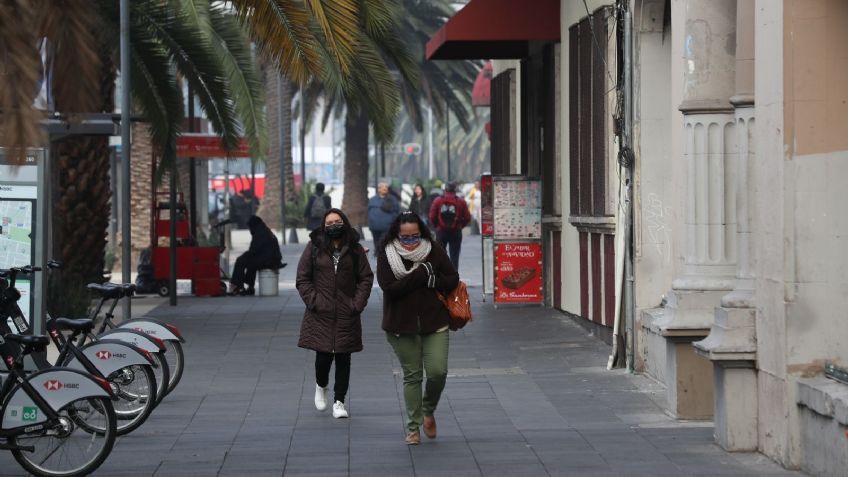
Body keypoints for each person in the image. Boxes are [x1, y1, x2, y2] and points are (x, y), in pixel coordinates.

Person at [376, 211, 458, 445]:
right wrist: (422, 273)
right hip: (401, 325)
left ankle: (428, 409)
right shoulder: (387, 255)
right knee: (412, 376)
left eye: (415, 236)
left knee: (437, 372)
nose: (411, 242)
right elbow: (390, 288)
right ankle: (413, 428)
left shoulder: (433, 249)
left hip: (435, 322)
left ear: (421, 233)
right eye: (405, 237)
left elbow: (452, 277)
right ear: (396, 235)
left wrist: (433, 280)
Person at [297, 208, 373, 419]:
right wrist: (314, 301)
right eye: (329, 223)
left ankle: (339, 401)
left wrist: (356, 304)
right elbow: (302, 277)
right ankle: (321, 385)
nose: (333, 226)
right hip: (320, 312)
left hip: (346, 312)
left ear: (345, 222)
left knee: (343, 357)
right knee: (322, 356)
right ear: (323, 226)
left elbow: (366, 278)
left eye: (337, 221)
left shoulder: (355, 249)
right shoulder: (314, 248)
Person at [228, 216, 283, 295]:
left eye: (250, 227)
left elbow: (253, 251)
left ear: (253, 226)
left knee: (240, 261)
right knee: (250, 262)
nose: (249, 229)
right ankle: (249, 287)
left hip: (269, 261)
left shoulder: (259, 233)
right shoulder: (264, 230)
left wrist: (242, 256)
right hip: (272, 259)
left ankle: (237, 286)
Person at [428, 182, 472, 269]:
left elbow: (432, 216)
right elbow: (467, 217)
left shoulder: (438, 200)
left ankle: (442, 275)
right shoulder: (461, 201)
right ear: (455, 190)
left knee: (441, 255)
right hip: (456, 232)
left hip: (441, 231)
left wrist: (437, 226)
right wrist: (460, 226)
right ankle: (453, 277)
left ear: (445, 189)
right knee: (454, 256)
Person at [367, 181, 400, 254]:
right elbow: (369, 211)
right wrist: (370, 223)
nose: (384, 188)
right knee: (376, 242)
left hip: (387, 227)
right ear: (379, 189)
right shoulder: (373, 199)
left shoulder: (393, 199)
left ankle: (383, 256)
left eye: (386, 187)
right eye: (382, 187)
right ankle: (378, 255)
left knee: (385, 243)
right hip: (375, 227)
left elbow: (397, 211)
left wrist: (393, 222)